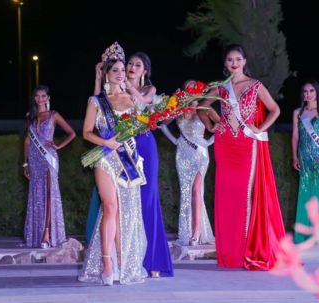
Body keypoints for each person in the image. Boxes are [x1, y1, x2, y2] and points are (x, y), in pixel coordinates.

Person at [198, 44, 285, 270]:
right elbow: (201, 108)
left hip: (246, 144)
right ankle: (228, 252)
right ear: (226, 64)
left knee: (243, 196)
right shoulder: (221, 87)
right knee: (226, 197)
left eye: (238, 59)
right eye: (229, 60)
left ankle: (245, 252)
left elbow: (275, 109)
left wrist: (260, 128)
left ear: (244, 61)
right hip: (225, 143)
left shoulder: (255, 86)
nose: (234, 63)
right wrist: (211, 126)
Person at [88, 51, 173, 278]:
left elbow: (144, 105)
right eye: (130, 64)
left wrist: (126, 85)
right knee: (123, 205)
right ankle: (127, 258)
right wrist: (100, 78)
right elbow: (98, 109)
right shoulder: (117, 89)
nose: (132, 68)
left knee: (147, 199)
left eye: (138, 65)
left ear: (145, 71)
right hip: (119, 146)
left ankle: (153, 259)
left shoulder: (147, 91)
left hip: (142, 145)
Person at [79, 42, 147, 286]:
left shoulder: (131, 99)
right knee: (110, 208)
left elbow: (147, 114)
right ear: (106, 73)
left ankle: (123, 259)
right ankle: (107, 262)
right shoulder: (96, 101)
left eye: (122, 69)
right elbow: (87, 132)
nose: (120, 73)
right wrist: (108, 143)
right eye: (115, 70)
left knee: (126, 212)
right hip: (106, 159)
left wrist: (130, 87)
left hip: (128, 159)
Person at [160, 80, 215, 246]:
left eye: (194, 87)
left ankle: (196, 232)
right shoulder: (179, 109)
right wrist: (175, 140)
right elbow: (162, 125)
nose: (191, 90)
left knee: (197, 190)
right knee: (186, 192)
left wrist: (209, 142)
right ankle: (187, 231)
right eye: (188, 88)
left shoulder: (204, 108)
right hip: (182, 153)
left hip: (200, 153)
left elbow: (221, 125)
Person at [22, 85, 76, 248]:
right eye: (37, 96)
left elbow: (72, 133)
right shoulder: (30, 117)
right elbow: (26, 141)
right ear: (34, 98)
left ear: (48, 98)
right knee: (36, 196)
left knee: (49, 194)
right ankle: (36, 234)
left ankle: (46, 233)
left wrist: (59, 146)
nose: (40, 99)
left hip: (49, 158)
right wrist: (25, 163)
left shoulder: (54, 115)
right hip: (34, 159)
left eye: (43, 96)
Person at [292, 80, 319, 244]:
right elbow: (295, 136)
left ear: (317, 93)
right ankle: (305, 233)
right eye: (305, 91)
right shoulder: (297, 112)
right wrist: (294, 156)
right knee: (305, 192)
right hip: (304, 157)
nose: (307, 94)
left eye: (311, 91)